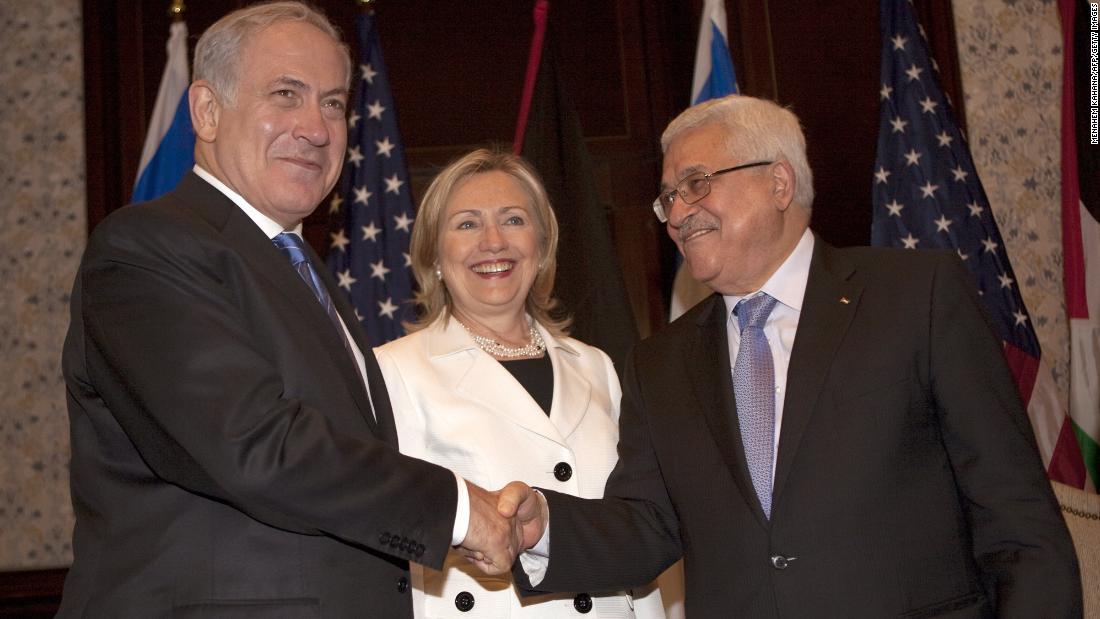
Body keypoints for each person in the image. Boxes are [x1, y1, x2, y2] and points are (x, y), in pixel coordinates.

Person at [503, 94, 1082, 617]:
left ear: (779, 183)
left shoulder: (916, 296)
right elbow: (647, 525)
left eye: (697, 183)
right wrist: (543, 530)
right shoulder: (659, 364)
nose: (677, 214)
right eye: (668, 197)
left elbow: (1017, 518)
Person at [59, 4, 525, 617]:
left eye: (333, 103)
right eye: (286, 94)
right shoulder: (146, 248)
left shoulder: (308, 274)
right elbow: (254, 444)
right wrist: (461, 512)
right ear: (205, 110)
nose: (316, 126)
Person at [373, 149, 669, 618]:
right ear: (433, 255)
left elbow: (637, 528)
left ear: (543, 246)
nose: (493, 241)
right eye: (467, 224)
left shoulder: (598, 368)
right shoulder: (392, 372)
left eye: (513, 220)